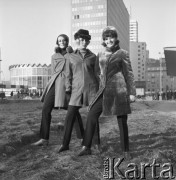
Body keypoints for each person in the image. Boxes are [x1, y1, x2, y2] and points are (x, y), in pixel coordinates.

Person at [78, 26, 136, 159]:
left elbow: (129, 74)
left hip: (119, 90)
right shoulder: (100, 54)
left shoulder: (123, 53)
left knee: (122, 120)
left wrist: (131, 92)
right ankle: (86, 146)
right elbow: (97, 72)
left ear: (115, 38)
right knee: (92, 113)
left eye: (111, 37)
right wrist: (101, 82)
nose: (108, 40)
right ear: (104, 40)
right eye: (106, 38)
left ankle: (125, 150)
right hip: (103, 90)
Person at [32, 34, 84, 146]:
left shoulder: (73, 54)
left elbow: (76, 70)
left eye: (64, 40)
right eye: (60, 40)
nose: (62, 42)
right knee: (46, 109)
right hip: (54, 83)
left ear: (67, 41)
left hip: (67, 84)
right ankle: (44, 139)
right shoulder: (54, 55)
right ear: (57, 42)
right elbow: (53, 71)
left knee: (73, 111)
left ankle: (82, 137)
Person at [58, 29, 99, 153]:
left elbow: (97, 74)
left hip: (92, 91)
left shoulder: (93, 56)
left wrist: (100, 90)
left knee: (93, 117)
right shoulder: (71, 56)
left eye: (86, 39)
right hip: (76, 91)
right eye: (81, 39)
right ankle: (65, 144)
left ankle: (96, 143)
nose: (84, 42)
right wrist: (68, 90)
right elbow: (67, 75)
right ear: (76, 40)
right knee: (70, 116)